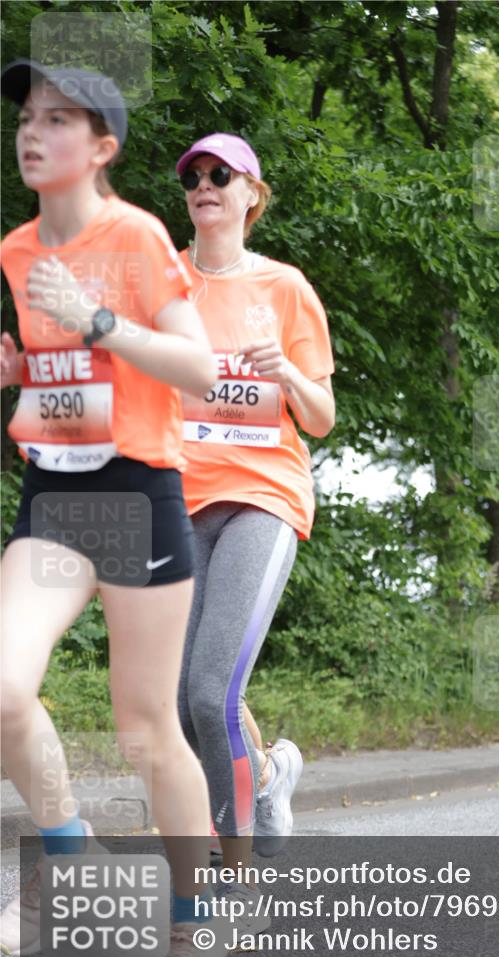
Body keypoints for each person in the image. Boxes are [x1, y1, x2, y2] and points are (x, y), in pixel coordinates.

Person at [0, 61, 230, 957]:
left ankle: (195, 931)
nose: (32, 130)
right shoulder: (15, 248)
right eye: (26, 116)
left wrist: (97, 319)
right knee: (4, 690)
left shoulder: (133, 235)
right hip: (54, 494)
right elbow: (58, 383)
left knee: (145, 732)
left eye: (60, 120)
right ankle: (70, 852)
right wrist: (19, 377)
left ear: (102, 150)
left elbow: (199, 370)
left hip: (137, 494)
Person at [174, 133, 335, 900]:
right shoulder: (163, 284)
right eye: (193, 178)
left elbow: (324, 416)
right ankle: (270, 776)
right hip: (178, 499)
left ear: (250, 196)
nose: (204, 185)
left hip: (263, 495)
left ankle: (231, 873)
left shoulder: (285, 287)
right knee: (181, 700)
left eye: (220, 175)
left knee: (211, 690)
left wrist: (291, 376)